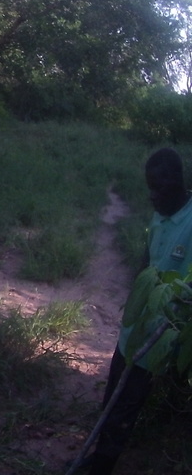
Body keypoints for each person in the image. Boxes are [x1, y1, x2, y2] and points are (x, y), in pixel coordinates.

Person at [84, 147, 192, 475]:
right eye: (150, 188)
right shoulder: (160, 214)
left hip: (163, 336)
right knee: (114, 394)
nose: (152, 196)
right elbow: (148, 259)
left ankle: (102, 465)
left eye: (160, 188)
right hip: (136, 328)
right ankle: (98, 452)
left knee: (126, 406)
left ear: (178, 181)